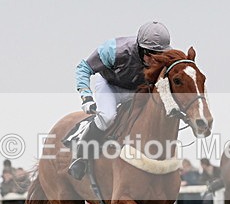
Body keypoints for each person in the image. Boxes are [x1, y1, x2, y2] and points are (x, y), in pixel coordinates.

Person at [68, 21, 172, 180]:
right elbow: (84, 68)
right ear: (141, 48)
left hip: (138, 90)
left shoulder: (166, 57)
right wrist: (86, 96)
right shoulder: (114, 50)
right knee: (108, 116)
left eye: (161, 54)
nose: (157, 60)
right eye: (152, 54)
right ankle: (80, 156)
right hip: (111, 86)